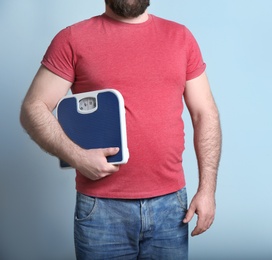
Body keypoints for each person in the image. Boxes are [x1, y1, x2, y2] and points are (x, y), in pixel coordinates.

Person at [19, 0, 222, 259]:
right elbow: (33, 108)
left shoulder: (180, 37)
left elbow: (205, 113)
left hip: (171, 206)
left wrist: (207, 190)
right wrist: (77, 156)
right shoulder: (73, 39)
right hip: (101, 209)